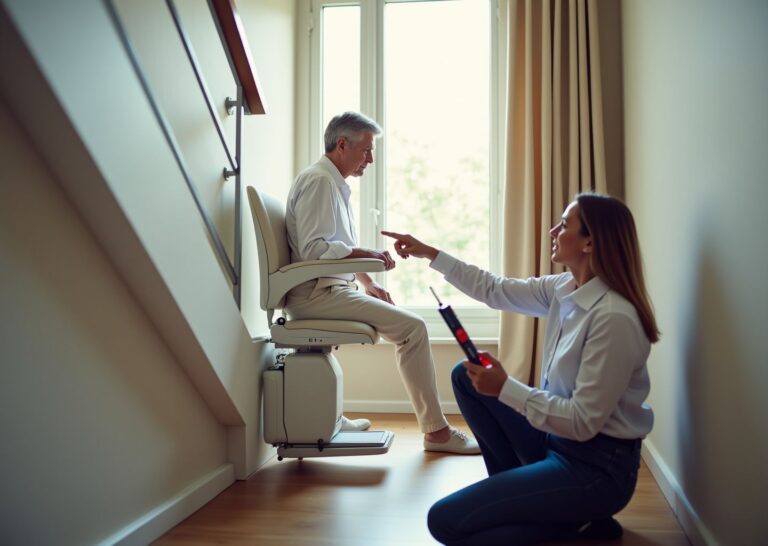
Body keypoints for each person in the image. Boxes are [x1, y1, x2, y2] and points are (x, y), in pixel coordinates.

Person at [382, 193, 660, 545]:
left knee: (445, 522)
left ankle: (577, 521)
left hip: (597, 469)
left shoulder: (613, 318)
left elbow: (582, 422)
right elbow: (494, 289)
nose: (553, 230)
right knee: (464, 377)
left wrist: (505, 388)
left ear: (590, 241)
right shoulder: (564, 288)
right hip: (557, 442)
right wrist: (430, 254)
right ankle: (539, 503)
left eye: (565, 224)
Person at [284, 111, 479, 454]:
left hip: (330, 288)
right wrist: (367, 253)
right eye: (366, 150)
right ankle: (437, 432)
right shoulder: (319, 182)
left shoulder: (331, 183)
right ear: (342, 145)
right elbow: (315, 250)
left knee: (407, 325)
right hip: (316, 294)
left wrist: (367, 281)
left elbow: (330, 248)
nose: (370, 159)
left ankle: (327, 416)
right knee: (414, 329)